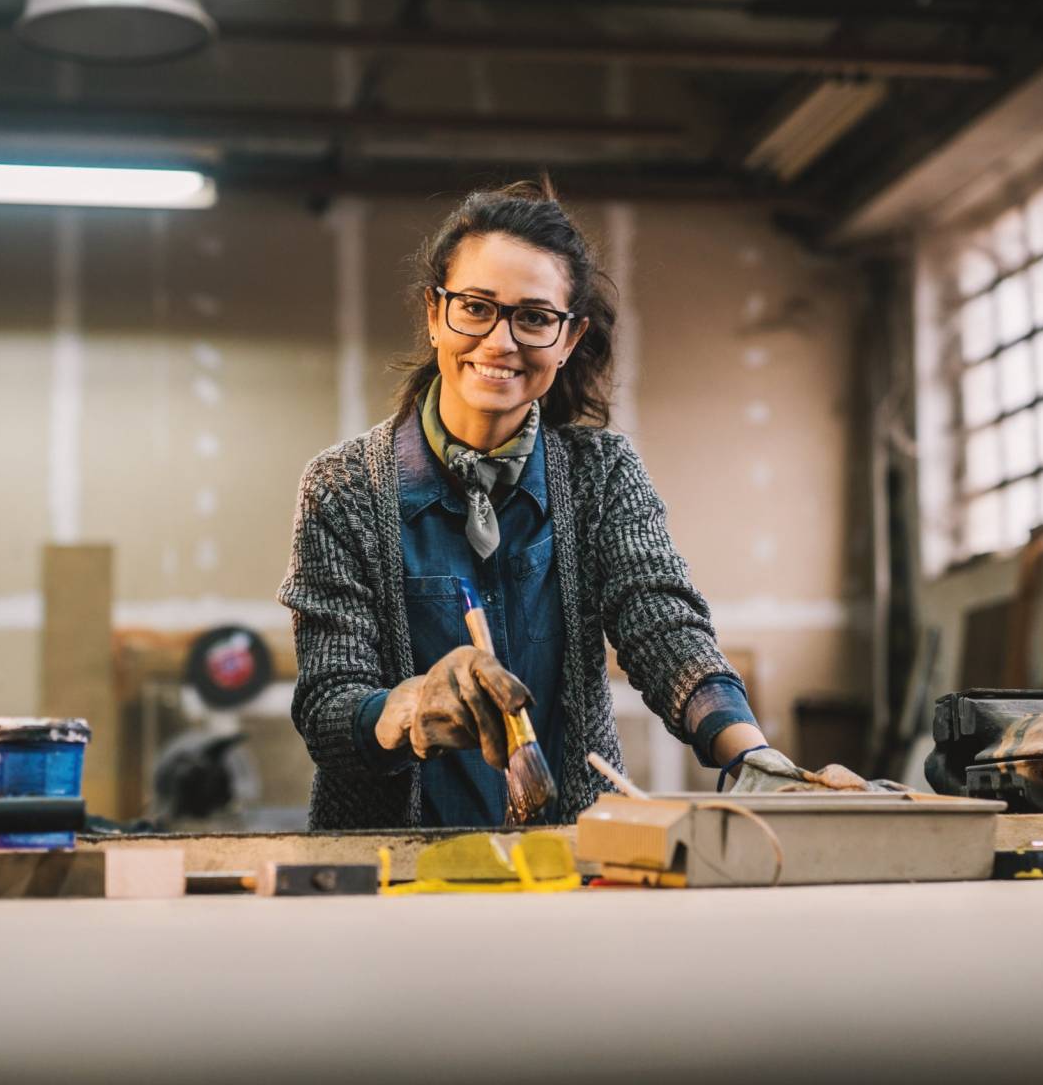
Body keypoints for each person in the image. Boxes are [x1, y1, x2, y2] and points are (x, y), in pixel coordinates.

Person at [280, 180, 873, 830]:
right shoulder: (342, 489)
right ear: (433, 312)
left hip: (572, 860)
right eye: (476, 307)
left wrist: (755, 761)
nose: (501, 341)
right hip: (387, 872)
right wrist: (411, 707)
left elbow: (664, 628)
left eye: (533, 317)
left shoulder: (603, 474)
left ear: (568, 337)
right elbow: (329, 708)